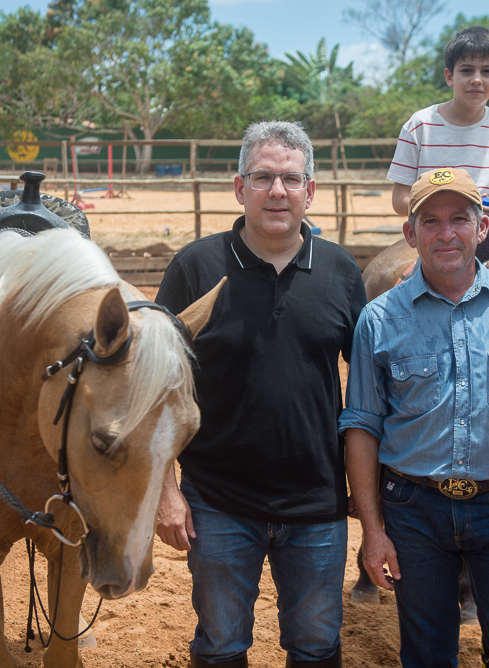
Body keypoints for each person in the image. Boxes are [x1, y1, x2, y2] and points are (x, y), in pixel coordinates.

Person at [340, 167, 489, 667]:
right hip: (413, 509)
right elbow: (362, 426)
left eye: (458, 219)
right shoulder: (379, 319)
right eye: (429, 221)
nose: (445, 233)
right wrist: (373, 529)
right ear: (410, 234)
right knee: (427, 654)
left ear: (482, 225)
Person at [154, 121, 367, 668]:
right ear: (239, 187)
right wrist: (165, 491)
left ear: (310, 190)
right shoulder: (195, 268)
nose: (278, 191)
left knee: (317, 646)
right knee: (221, 644)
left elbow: (370, 395)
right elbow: (151, 391)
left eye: (291, 179)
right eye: (264, 177)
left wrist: (372, 503)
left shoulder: (341, 272)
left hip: (317, 502)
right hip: (218, 501)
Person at [387, 26, 489, 224]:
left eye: (487, 71)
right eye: (466, 70)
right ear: (449, 76)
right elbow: (399, 200)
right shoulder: (419, 125)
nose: (476, 80)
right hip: (435, 232)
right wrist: (455, 211)